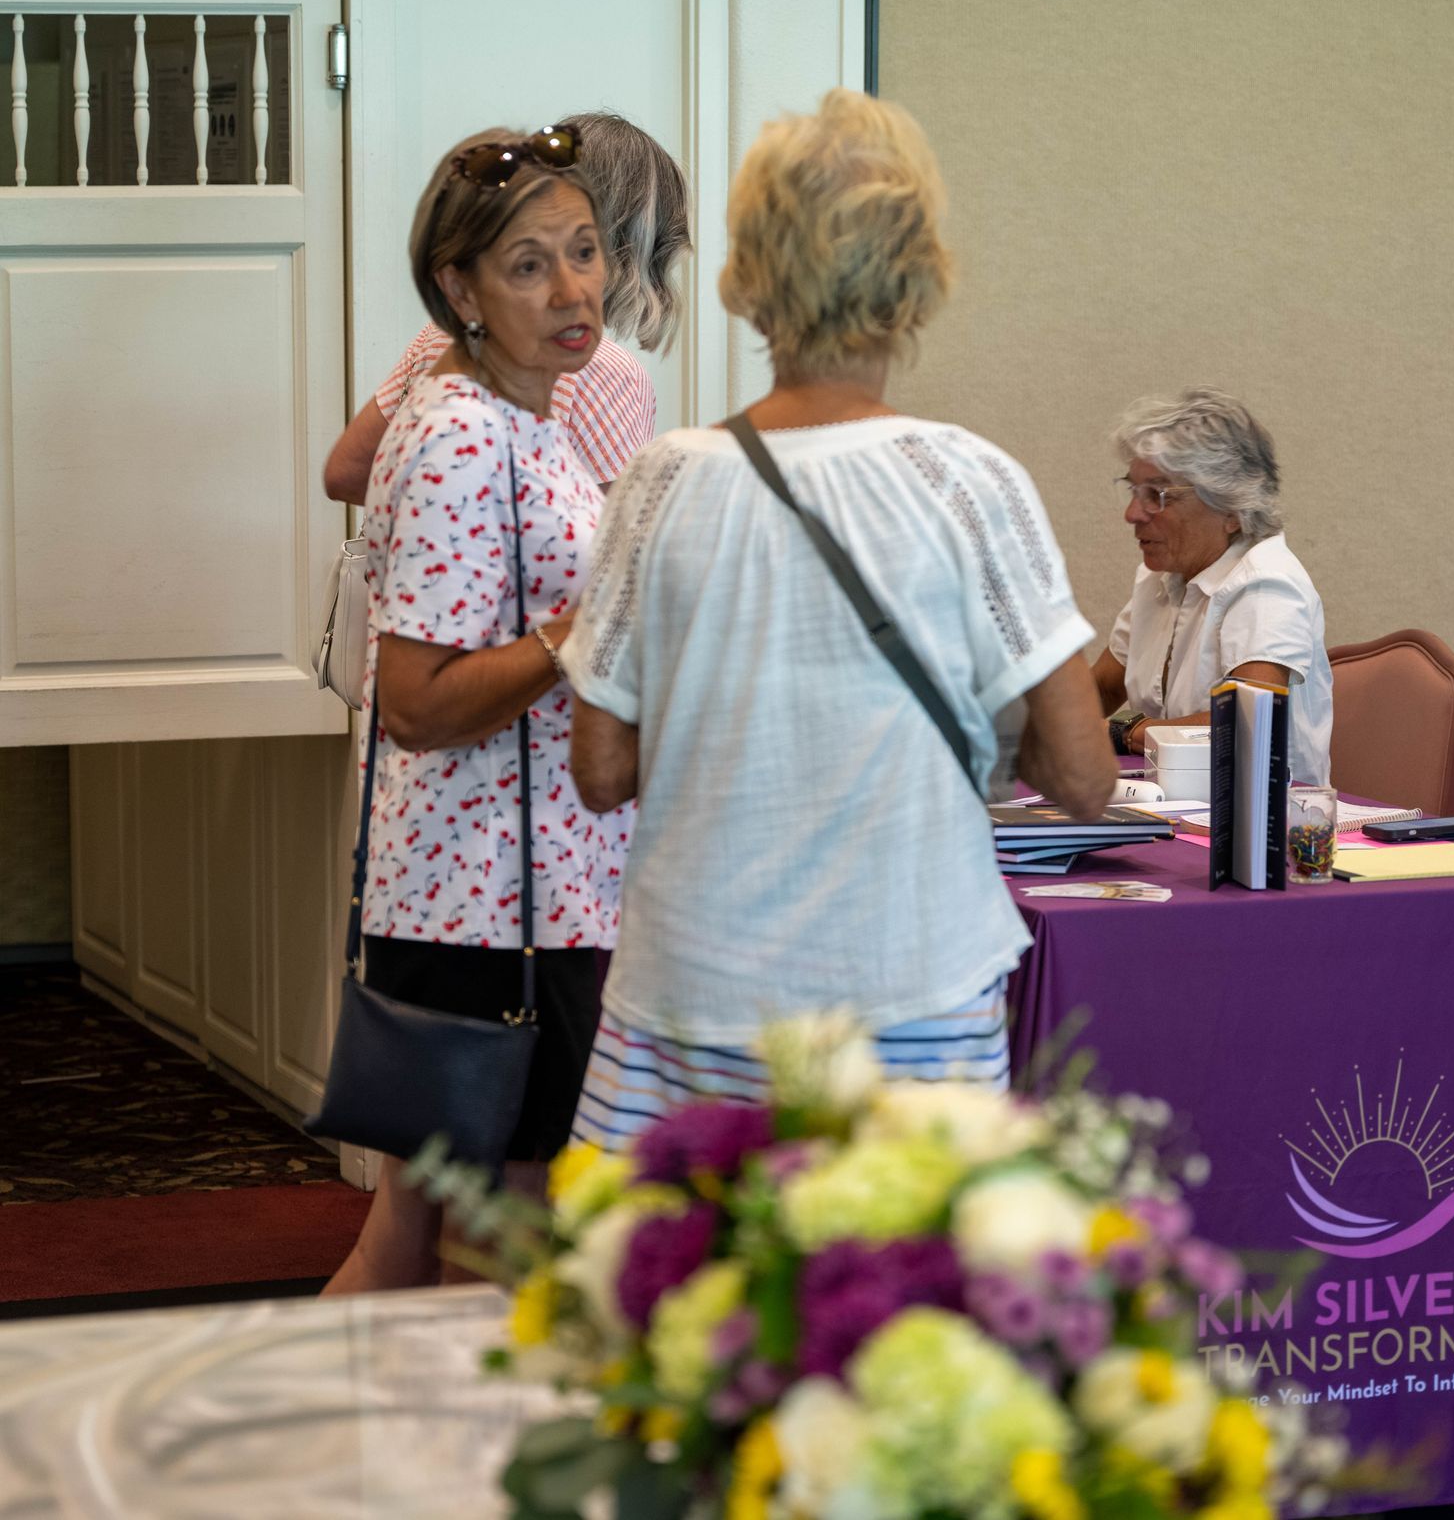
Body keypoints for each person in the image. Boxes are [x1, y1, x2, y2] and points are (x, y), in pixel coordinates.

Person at [560, 88, 1115, 1145]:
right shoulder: (970, 483)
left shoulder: (659, 481)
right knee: (898, 1294)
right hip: (911, 980)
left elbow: (601, 773)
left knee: (676, 1293)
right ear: (918, 277)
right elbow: (1086, 779)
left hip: (694, 993)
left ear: (746, 278)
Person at [323, 124, 631, 1294]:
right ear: (458, 289)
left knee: (424, 1237)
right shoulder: (461, 436)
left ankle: (317, 1468)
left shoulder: (527, 420)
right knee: (497, 1257)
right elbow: (419, 702)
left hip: (536, 889)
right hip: (489, 908)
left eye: (587, 252)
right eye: (528, 265)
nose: (573, 290)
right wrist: (585, 625)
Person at [322, 111, 687, 502]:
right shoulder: (605, 371)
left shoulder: (443, 334)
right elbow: (616, 550)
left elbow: (347, 474)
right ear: (643, 244)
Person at [1089, 389, 1333, 783]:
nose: (1132, 514)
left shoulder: (1267, 584)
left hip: (1257, 827)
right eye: (1134, 490)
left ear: (1232, 508)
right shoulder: (1161, 576)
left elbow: (1245, 730)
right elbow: (1100, 688)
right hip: (1166, 806)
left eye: (1158, 495)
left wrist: (1125, 732)